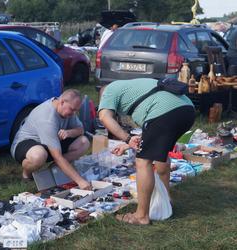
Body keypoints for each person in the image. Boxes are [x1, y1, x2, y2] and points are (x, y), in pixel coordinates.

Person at [98, 78, 195, 225]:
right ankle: (166, 200)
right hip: (187, 110)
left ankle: (141, 216)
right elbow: (155, 130)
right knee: (160, 155)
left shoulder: (109, 91)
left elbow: (104, 117)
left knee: (143, 161)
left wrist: (127, 138)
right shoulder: (132, 86)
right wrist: (129, 143)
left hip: (165, 112)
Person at [10, 89, 91, 190]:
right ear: (62, 102)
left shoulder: (68, 110)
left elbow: (81, 130)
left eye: (76, 110)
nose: (74, 113)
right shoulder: (47, 118)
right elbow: (57, 156)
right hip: (25, 143)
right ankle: (27, 174)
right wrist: (80, 181)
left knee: (84, 142)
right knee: (38, 156)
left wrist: (69, 132)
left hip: (50, 142)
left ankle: (54, 169)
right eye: (72, 109)